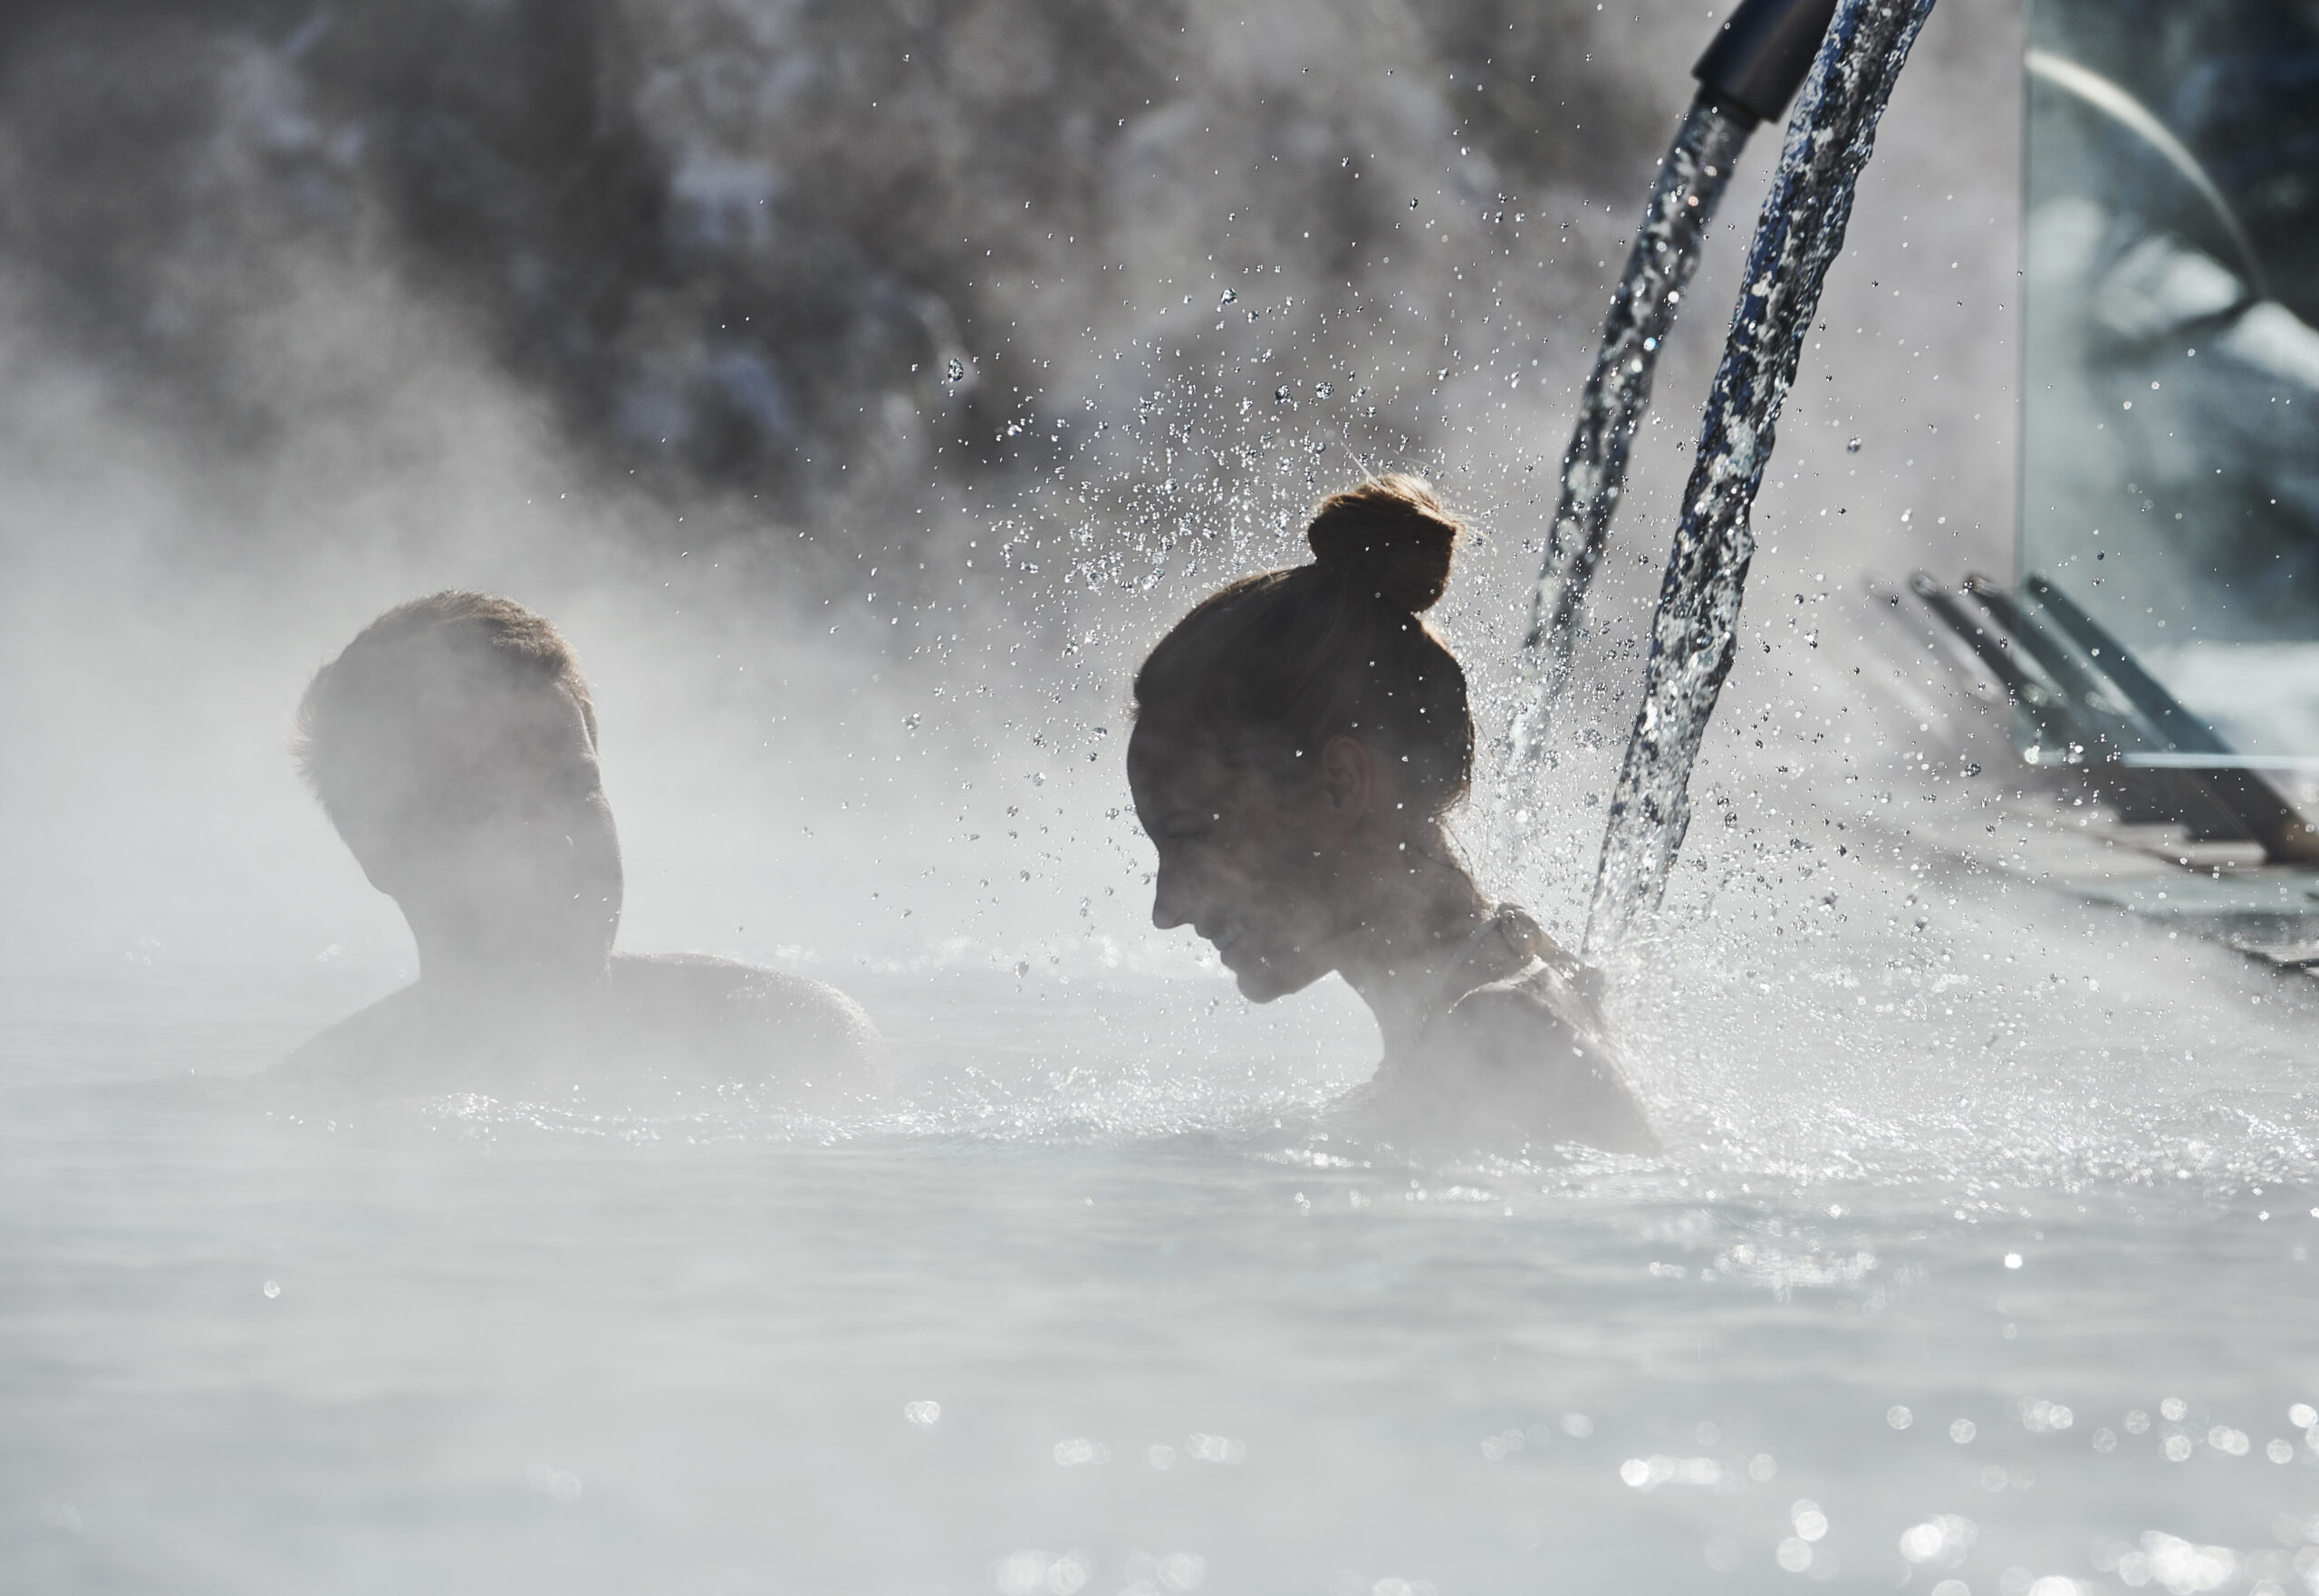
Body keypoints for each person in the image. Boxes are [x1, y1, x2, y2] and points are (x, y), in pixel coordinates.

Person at [1125, 476, 1656, 1152]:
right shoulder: (1478, 1015)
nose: (1167, 909)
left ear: (1341, 786)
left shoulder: (1500, 1038)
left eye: (1193, 836)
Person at [277, 591, 875, 1095]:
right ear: (380, 849)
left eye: (575, 787)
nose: (560, 844)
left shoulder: (788, 1040)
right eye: (494, 805)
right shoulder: (322, 1104)